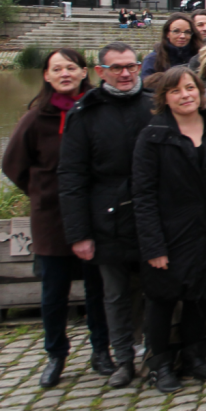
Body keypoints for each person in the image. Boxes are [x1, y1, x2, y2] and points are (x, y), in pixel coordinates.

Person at [131, 66, 206, 393]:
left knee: (200, 294)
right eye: (176, 91)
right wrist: (154, 246)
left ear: (200, 93)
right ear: (165, 98)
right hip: (170, 229)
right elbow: (143, 195)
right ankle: (162, 365)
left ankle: (195, 355)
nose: (185, 95)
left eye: (190, 89)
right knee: (163, 299)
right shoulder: (153, 135)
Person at [3, 49, 113, 388]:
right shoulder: (36, 119)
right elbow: (14, 166)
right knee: (54, 292)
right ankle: (56, 354)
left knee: (98, 288)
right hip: (52, 218)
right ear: (47, 76)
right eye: (56, 69)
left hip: (94, 214)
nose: (64, 73)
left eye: (71, 67)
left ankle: (101, 350)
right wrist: (42, 193)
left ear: (84, 72)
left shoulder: (98, 111)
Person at [58, 42, 152, 389]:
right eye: (117, 68)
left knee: (154, 288)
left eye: (131, 66)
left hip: (150, 214)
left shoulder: (153, 105)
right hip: (106, 217)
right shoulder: (85, 112)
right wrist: (79, 233)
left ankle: (155, 354)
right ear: (101, 72)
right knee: (114, 293)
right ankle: (123, 359)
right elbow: (71, 176)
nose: (126, 74)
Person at [141, 13, 203, 79]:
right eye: (176, 31)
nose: (182, 36)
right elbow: (146, 85)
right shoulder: (152, 59)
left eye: (187, 32)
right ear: (167, 34)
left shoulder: (199, 57)